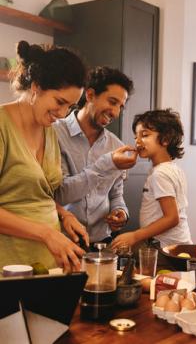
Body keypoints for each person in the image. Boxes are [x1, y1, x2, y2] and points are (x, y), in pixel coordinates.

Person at [0, 40, 89, 272]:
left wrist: (63, 215)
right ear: (36, 86)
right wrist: (46, 233)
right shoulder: (2, 125)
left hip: (47, 264)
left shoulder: (49, 130)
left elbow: (36, 193)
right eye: (59, 102)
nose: (62, 114)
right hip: (8, 265)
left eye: (70, 107)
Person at [54, 66, 137, 245]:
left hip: (102, 243)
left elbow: (115, 195)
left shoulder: (117, 145)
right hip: (63, 242)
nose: (115, 112)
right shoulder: (54, 134)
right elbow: (59, 194)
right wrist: (107, 163)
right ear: (90, 95)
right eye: (112, 102)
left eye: (120, 107)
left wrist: (121, 212)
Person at [111, 109, 192, 249]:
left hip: (165, 249)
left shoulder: (160, 174)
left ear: (166, 139)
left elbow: (172, 218)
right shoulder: (172, 169)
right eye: (136, 136)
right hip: (176, 246)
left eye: (145, 135)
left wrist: (135, 236)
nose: (137, 141)